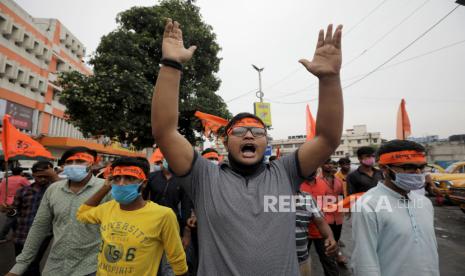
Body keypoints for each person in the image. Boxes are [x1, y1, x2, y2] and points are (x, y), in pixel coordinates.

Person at [151, 18, 343, 274]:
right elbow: (165, 132)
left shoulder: (285, 172)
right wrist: (171, 65)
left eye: (258, 132)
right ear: (225, 141)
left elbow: (327, 139)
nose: (249, 136)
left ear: (266, 142)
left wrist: (329, 79)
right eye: (240, 131)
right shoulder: (203, 177)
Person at [76, 157, 188, 276]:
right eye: (117, 178)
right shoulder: (107, 208)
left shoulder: (163, 215)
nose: (121, 184)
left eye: (129, 178)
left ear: (143, 183)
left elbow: (176, 257)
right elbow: (82, 214)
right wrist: (105, 187)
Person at [7, 147, 108, 276]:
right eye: (69, 162)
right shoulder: (53, 190)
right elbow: (39, 227)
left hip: (92, 268)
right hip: (55, 267)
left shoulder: (107, 189)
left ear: (92, 164)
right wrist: (19, 266)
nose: (74, 165)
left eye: (80, 161)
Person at [351, 140, 439, 276]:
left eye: (421, 167)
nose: (417, 173)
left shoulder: (424, 203)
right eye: (408, 167)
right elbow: (364, 262)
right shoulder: (367, 206)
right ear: (384, 168)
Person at [142, 153, 191, 276]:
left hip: (173, 224)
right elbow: (142, 199)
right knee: (149, 259)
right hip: (150, 223)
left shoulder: (182, 180)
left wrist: (186, 232)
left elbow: (186, 206)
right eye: (165, 160)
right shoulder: (151, 177)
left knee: (169, 263)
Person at [9, 161, 58, 275]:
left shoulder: (56, 191)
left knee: (33, 264)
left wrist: (54, 176)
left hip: (42, 236)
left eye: (46, 176)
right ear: (33, 175)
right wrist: (9, 210)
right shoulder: (23, 191)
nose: (42, 179)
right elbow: (14, 212)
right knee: (20, 263)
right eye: (39, 176)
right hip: (21, 235)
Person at [301, 166, 342, 276]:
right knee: (299, 262)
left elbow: (330, 202)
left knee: (329, 262)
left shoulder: (323, 183)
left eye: (313, 167)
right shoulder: (295, 184)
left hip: (322, 230)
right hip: (302, 232)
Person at [295, 190, 338, 276]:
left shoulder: (307, 198)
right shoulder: (270, 197)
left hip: (302, 261)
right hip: (276, 260)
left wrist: (330, 237)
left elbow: (321, 223)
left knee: (329, 262)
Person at [0, 167, 30, 243]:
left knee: (13, 218)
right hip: (16, 202)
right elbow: (30, 188)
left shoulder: (4, 179)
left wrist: (2, 202)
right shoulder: (22, 179)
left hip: (6, 202)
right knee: (11, 219)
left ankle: (15, 233)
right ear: (21, 172)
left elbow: (1, 191)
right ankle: (2, 236)